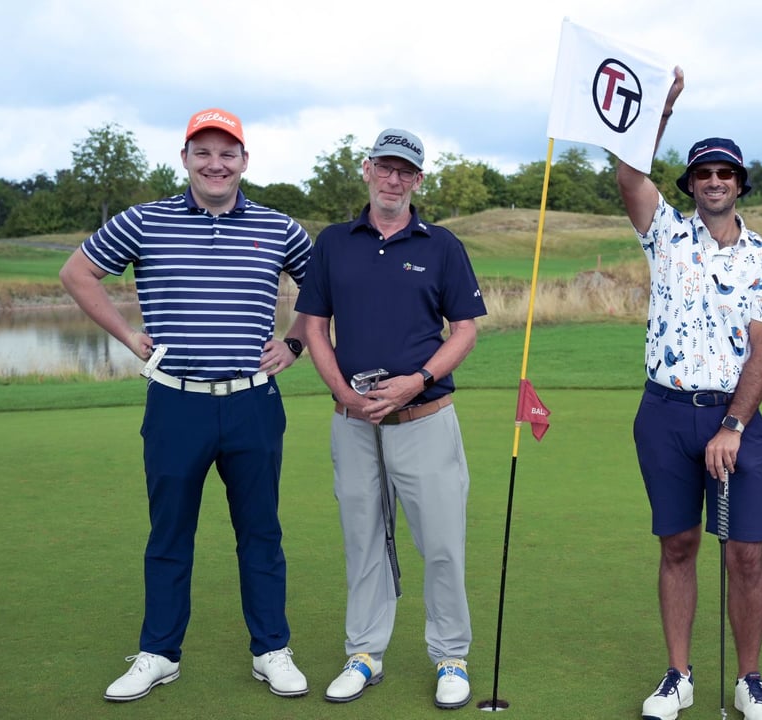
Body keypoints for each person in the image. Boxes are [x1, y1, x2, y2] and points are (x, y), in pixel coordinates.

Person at [60, 108, 313, 702]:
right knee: (169, 534)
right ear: (185, 158)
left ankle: (271, 649)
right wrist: (128, 338)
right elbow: (77, 273)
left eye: (228, 153)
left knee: (261, 533)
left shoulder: (279, 227)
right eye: (203, 152)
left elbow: (324, 290)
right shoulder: (144, 221)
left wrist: (296, 342)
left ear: (245, 161)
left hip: (252, 403)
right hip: (176, 404)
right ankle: (158, 653)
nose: (216, 164)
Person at [294, 127, 486, 709]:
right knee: (362, 540)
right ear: (367, 169)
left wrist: (416, 381)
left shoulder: (441, 245)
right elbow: (313, 327)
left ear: (418, 180)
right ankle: (364, 653)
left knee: (443, 543)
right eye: (386, 167)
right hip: (353, 422)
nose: (394, 179)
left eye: (406, 171)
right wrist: (342, 393)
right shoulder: (332, 242)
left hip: (424, 417)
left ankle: (450, 656)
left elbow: (466, 330)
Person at [616, 67, 762, 720]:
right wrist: (656, 111)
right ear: (691, 185)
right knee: (678, 545)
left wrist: (734, 426)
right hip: (663, 413)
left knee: (744, 553)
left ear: (740, 183)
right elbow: (631, 177)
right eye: (704, 174)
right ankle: (678, 675)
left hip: (732, 418)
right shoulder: (665, 233)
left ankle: (750, 680)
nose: (715, 183)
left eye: (726, 174)